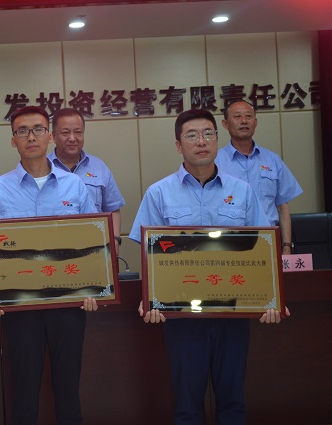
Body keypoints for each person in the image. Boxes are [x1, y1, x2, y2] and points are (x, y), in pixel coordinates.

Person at [129, 109, 288, 425]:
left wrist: (273, 298)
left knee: (233, 402)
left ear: (217, 139)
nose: (201, 141)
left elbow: (262, 249)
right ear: (179, 145)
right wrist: (150, 299)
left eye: (208, 134)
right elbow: (150, 255)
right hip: (182, 317)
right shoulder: (159, 193)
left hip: (232, 312)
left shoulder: (242, 191)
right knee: (187, 405)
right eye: (192, 135)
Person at [0, 106, 99, 425]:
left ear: (50, 136)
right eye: (22, 131)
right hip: (20, 307)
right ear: (13, 140)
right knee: (24, 389)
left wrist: (95, 287)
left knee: (68, 388)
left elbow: (93, 243)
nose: (31, 137)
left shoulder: (75, 186)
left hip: (68, 303)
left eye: (38, 129)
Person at [216, 100, 303, 255]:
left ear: (255, 123)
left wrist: (286, 246)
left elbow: (282, 207)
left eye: (248, 116)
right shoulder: (215, 162)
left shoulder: (272, 160)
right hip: (228, 243)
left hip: (268, 241)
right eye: (237, 116)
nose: (244, 121)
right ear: (225, 124)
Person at [47, 108, 125, 251]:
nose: (72, 138)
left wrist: (114, 241)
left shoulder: (99, 167)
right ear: (53, 136)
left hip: (95, 248)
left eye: (78, 132)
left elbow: (113, 209)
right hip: (54, 248)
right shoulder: (43, 168)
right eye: (65, 133)